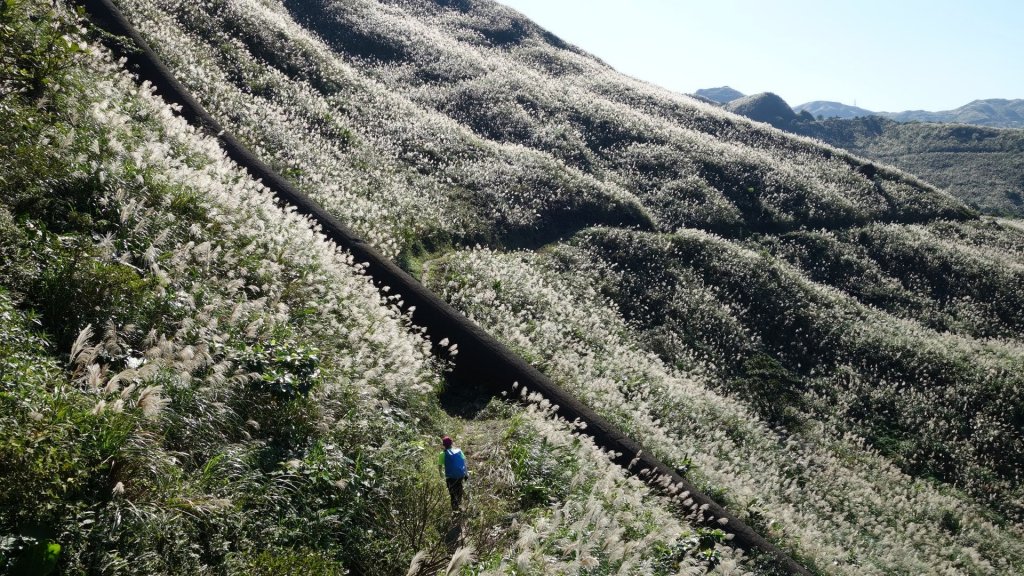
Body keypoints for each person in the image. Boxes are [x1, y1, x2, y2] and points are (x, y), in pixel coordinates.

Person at [438, 435, 468, 511]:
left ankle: (455, 510)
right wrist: (466, 473)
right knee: (459, 490)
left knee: (452, 494)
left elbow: (440, 467)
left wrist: (442, 477)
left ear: (443, 445)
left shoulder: (442, 454)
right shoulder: (459, 451)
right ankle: (460, 506)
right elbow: (464, 462)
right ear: (452, 443)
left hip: (450, 477)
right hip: (460, 475)